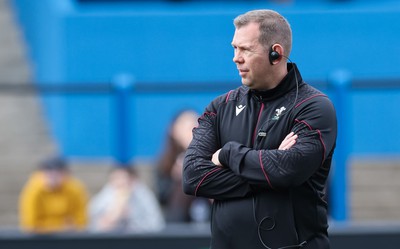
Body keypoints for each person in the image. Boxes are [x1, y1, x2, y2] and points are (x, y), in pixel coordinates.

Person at [183, 9, 337, 249]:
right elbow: (192, 176)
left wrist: (227, 154)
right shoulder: (221, 106)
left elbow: (289, 170)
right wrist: (269, 175)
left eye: (245, 49)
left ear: (276, 53)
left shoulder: (315, 107)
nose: (236, 57)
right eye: (234, 48)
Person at [156, 109, 211, 223]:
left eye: (196, 125)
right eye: (186, 125)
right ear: (173, 130)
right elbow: (162, 197)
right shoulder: (166, 163)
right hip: (177, 225)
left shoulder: (213, 155)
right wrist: (179, 178)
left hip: (209, 219)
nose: (192, 129)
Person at [19, 156, 89, 233]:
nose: (53, 178)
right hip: (41, 239)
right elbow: (30, 225)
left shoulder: (75, 189)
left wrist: (45, 225)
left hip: (68, 238)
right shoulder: (33, 190)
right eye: (49, 174)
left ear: (65, 174)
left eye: (58, 174)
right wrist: (60, 226)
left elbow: (81, 221)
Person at [88, 166, 165, 233]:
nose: (119, 183)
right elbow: (91, 222)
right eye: (115, 179)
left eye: (123, 179)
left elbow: (157, 225)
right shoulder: (107, 192)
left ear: (132, 180)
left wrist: (131, 218)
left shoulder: (143, 194)